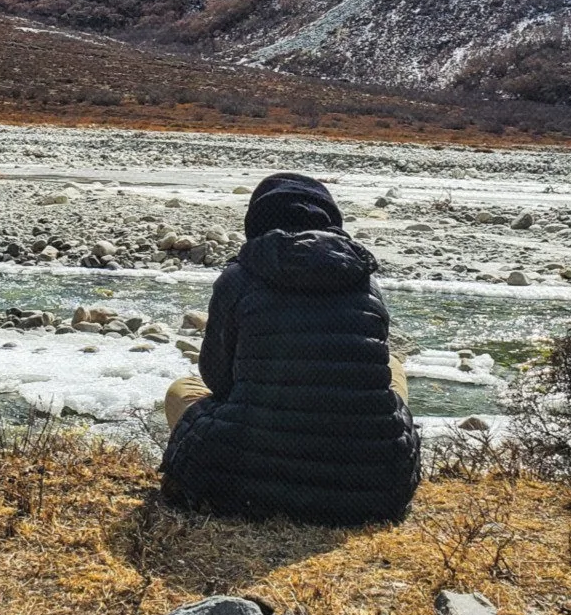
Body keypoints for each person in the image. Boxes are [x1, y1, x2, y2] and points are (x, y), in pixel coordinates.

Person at [158, 172, 421, 526]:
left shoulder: (238, 277)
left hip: (242, 479)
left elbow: (217, 380)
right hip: (372, 485)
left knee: (181, 390)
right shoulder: (365, 280)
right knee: (392, 366)